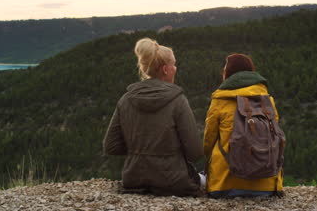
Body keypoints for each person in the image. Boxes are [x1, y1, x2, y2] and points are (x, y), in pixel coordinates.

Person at [103, 37, 203, 196]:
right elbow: (196, 152)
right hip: (173, 181)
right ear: (165, 69)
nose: (175, 68)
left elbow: (111, 146)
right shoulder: (178, 100)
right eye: (174, 64)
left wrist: (139, 151)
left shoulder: (126, 99)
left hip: (133, 180)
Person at [203, 53, 284, 198]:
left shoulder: (219, 100)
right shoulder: (268, 101)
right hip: (266, 186)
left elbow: (208, 142)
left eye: (224, 69)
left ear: (228, 74)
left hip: (224, 185)